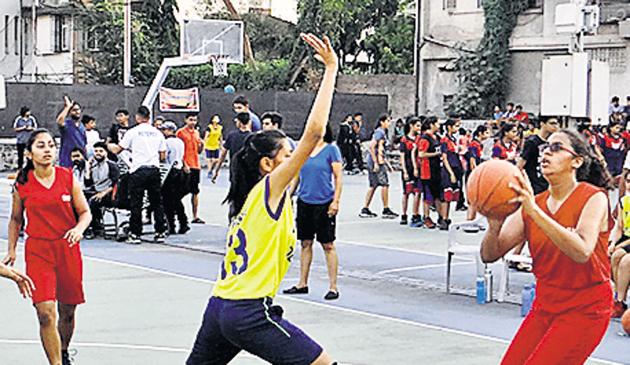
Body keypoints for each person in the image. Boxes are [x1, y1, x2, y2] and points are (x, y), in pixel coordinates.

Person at [186, 33, 337, 365]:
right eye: (288, 154)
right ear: (268, 165)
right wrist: (331, 69)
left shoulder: (253, 200)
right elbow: (314, 134)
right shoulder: (269, 188)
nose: (295, 157)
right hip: (247, 311)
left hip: (220, 307)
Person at [480, 129, 614, 364]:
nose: (545, 154)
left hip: (586, 308)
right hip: (545, 304)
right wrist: (494, 225)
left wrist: (534, 211)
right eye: (544, 148)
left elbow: (582, 251)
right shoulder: (534, 205)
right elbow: (489, 255)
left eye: (556, 147)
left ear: (577, 161)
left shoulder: (594, 198)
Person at [4, 129, 91, 365]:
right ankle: (55, 363)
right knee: (45, 313)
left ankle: (63, 351)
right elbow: (15, 219)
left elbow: (85, 212)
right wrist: (11, 250)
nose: (47, 150)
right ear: (30, 153)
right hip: (38, 251)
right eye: (41, 146)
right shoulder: (22, 184)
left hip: (68, 249)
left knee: (68, 312)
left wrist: (79, 229)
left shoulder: (67, 177)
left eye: (51, 145)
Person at [283, 124, 342, 300]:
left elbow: (338, 177)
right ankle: (302, 283)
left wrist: (335, 201)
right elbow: (297, 176)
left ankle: (333, 286)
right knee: (305, 243)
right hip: (305, 201)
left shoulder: (332, 149)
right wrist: (289, 195)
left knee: (328, 245)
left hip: (324, 203)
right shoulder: (304, 149)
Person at [107, 106, 167, 244]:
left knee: (136, 203)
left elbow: (117, 149)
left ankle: (135, 234)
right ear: (149, 117)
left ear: (137, 117)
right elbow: (163, 156)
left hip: (138, 170)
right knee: (157, 202)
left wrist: (109, 145)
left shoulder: (133, 132)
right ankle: (160, 232)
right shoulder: (157, 133)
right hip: (154, 170)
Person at [359, 114, 398, 219]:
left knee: (373, 185)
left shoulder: (380, 132)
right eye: (388, 121)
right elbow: (372, 147)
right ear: (382, 122)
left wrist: (388, 164)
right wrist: (376, 162)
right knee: (384, 184)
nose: (389, 124)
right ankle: (386, 209)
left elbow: (381, 150)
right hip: (376, 162)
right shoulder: (379, 132)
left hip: (375, 161)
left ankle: (365, 208)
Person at [83, 142, 119, 238]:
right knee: (79, 199)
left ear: (106, 152)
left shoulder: (111, 165)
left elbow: (115, 183)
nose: (98, 153)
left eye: (100, 151)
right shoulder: (93, 165)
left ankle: (93, 228)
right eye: (96, 151)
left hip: (108, 194)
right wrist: (88, 169)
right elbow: (88, 184)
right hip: (95, 191)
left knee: (92, 201)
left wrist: (103, 193)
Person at [413, 116, 442, 229]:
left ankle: (441, 217)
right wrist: (435, 154)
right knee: (428, 196)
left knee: (437, 195)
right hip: (427, 171)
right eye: (437, 124)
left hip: (436, 169)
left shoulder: (436, 137)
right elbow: (421, 154)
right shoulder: (425, 138)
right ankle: (426, 217)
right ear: (431, 125)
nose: (439, 126)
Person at [518, 117, 560, 195]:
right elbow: (520, 165)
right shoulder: (531, 142)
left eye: (557, 123)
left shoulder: (554, 143)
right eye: (552, 123)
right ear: (542, 124)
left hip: (549, 184)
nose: (555, 126)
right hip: (534, 185)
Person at [160, 121, 189, 235]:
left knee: (167, 200)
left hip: (169, 171)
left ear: (170, 130)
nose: (163, 132)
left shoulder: (166, 142)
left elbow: (163, 157)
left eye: (164, 130)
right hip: (179, 170)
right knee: (177, 199)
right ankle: (183, 222)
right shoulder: (180, 142)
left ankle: (171, 225)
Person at [177, 112, 205, 224]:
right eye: (191, 120)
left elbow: (199, 151)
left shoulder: (197, 133)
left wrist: (202, 144)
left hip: (195, 164)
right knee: (181, 190)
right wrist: (184, 164)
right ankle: (175, 211)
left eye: (194, 120)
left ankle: (195, 216)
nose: (193, 122)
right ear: (186, 120)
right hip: (186, 165)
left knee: (195, 191)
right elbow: (179, 150)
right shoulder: (180, 133)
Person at [609, 170, 630, 318]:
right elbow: (619, 228)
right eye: (628, 182)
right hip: (626, 238)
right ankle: (618, 301)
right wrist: (613, 243)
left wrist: (621, 245)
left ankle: (621, 299)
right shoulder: (624, 201)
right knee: (615, 256)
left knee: (626, 261)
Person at [212, 112, 252, 184]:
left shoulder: (232, 136)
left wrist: (217, 170)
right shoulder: (253, 137)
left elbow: (223, 154)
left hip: (235, 171)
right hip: (249, 172)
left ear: (239, 122)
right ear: (249, 122)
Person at [439, 119, 463, 230]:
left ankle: (447, 217)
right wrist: (451, 173)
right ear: (449, 127)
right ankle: (444, 218)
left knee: (452, 195)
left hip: (456, 168)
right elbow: (444, 158)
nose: (457, 129)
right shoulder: (444, 140)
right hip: (449, 170)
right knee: (446, 195)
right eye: (455, 126)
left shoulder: (453, 139)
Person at [400, 117, 422, 226]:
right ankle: (404, 214)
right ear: (411, 126)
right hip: (408, 168)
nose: (419, 128)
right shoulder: (404, 140)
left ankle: (415, 214)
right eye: (417, 125)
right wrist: (404, 171)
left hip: (417, 168)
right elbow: (402, 157)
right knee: (406, 193)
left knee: (417, 192)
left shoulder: (419, 139)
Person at [56, 96, 87, 168]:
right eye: (74, 110)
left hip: (80, 160)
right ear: (69, 112)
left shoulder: (82, 126)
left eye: (78, 109)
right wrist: (68, 107)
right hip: (67, 160)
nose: (77, 112)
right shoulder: (67, 123)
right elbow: (59, 121)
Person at [13, 106, 38, 170]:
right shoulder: (18, 119)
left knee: (29, 155)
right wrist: (23, 128)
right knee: (20, 155)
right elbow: (15, 128)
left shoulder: (32, 119)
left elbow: (35, 128)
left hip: (29, 140)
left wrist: (30, 128)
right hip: (21, 140)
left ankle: (30, 167)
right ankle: (20, 168)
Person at [203, 115, 223, 179]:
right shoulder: (209, 127)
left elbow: (220, 137)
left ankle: (211, 169)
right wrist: (204, 144)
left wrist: (221, 145)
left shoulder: (220, 127)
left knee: (216, 160)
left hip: (216, 145)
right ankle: (209, 172)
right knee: (209, 160)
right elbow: (206, 136)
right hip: (208, 145)